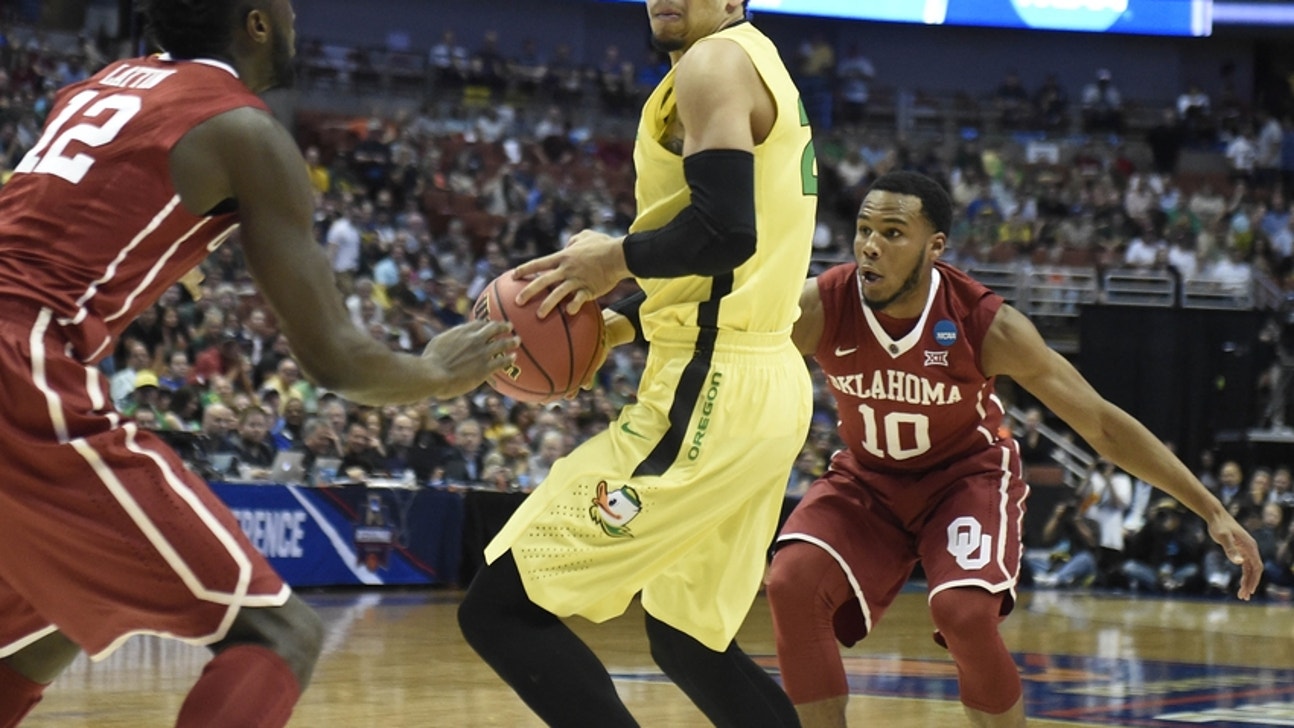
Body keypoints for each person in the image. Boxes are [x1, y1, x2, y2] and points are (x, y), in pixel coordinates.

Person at [0, 1, 517, 726]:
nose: (299, 16)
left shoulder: (101, 84)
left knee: (55, 618)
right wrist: (436, 371)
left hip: (23, 344)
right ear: (258, 22)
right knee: (280, 634)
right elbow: (335, 361)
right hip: (22, 359)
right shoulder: (245, 131)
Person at [764, 171, 1260, 728]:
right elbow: (730, 356)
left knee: (964, 614)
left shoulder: (985, 323)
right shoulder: (822, 304)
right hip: (867, 479)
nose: (870, 246)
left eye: (893, 232)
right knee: (791, 582)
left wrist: (1212, 510)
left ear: (935, 247)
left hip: (962, 480)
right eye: (863, 229)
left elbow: (1100, 424)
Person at [457, 1, 817, 725]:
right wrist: (621, 327)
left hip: (711, 391)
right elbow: (733, 264)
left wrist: (611, 261)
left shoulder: (714, 63)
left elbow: (725, 233)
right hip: (761, 380)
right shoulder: (753, 57)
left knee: (499, 609)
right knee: (689, 642)